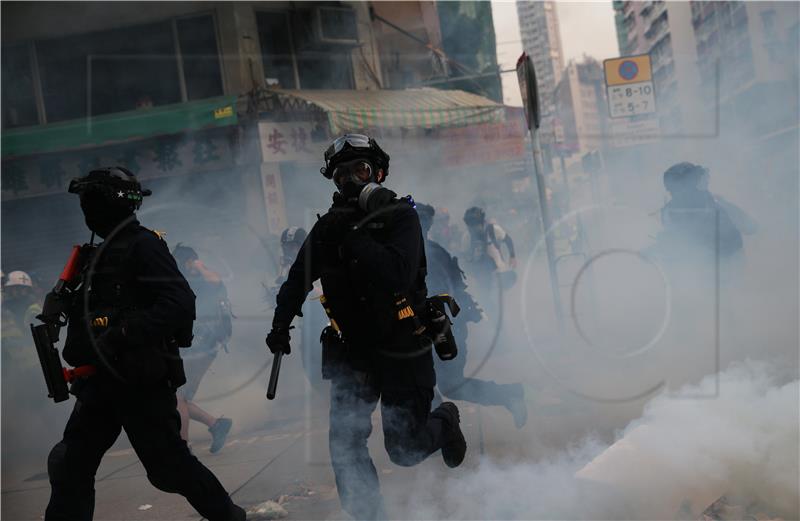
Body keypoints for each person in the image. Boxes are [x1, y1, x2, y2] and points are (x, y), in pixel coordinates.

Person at [266, 134, 467, 520]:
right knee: (345, 443)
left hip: (402, 346)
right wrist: (280, 325)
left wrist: (354, 238)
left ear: (378, 172)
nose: (351, 181)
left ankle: (446, 421)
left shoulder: (400, 217)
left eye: (359, 170)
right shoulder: (328, 228)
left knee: (404, 449)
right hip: (353, 352)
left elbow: (397, 274)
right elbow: (296, 281)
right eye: (342, 175)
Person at [45, 166, 245, 521]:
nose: (87, 212)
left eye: (91, 203)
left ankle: (231, 517)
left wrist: (122, 334)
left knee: (169, 469)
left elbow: (179, 302)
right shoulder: (98, 253)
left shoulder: (144, 245)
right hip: (100, 383)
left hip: (139, 381)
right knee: (69, 463)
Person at [416, 204, 527, 429]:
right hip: (433, 329)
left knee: (448, 384)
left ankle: (508, 396)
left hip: (444, 329)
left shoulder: (429, 254)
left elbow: (444, 294)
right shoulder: (423, 252)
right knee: (423, 380)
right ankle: (434, 432)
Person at [172, 244, 233, 453]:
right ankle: (217, 425)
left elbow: (217, 282)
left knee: (178, 396)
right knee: (181, 397)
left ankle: (183, 445)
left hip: (201, 346)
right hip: (199, 346)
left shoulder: (202, 277)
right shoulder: (188, 280)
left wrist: (199, 266)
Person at [657, 162, 744, 262]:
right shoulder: (670, 211)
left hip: (720, 267)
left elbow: (745, 232)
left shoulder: (711, 205)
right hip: (694, 269)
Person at [463, 206, 518, 291]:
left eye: (475, 224)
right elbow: (465, 258)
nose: (473, 228)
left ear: (481, 222)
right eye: (470, 225)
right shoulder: (467, 237)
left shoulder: (494, 230)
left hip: (500, 272)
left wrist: (512, 256)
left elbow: (508, 240)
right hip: (482, 276)